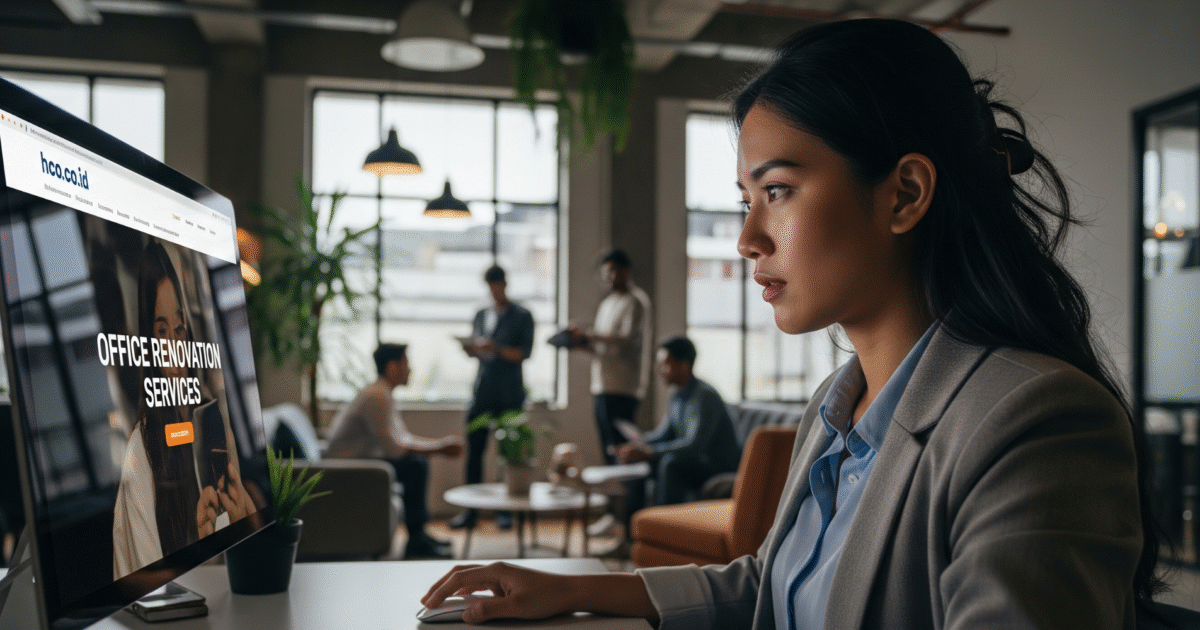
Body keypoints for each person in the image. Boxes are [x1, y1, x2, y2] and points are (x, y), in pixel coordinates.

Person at [421, 18, 1162, 629]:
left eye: (777, 190)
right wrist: (576, 587)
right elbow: (776, 586)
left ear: (905, 193)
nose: (748, 239)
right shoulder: (838, 406)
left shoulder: (1036, 421)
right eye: (746, 199)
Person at [113, 240, 256, 579]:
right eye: (162, 332)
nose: (175, 347)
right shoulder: (141, 450)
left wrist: (240, 521)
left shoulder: (208, 422)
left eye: (179, 328)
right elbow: (151, 586)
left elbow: (249, 538)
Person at [325, 343, 465, 559]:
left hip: (362, 463)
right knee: (415, 466)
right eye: (406, 364)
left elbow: (402, 440)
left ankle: (419, 536)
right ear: (392, 367)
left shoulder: (382, 393)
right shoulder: (376, 397)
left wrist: (439, 446)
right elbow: (396, 449)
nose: (410, 370)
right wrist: (440, 448)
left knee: (417, 463)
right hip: (347, 469)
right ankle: (416, 540)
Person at [568, 248, 653, 536]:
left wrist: (590, 334)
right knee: (608, 454)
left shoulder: (636, 302)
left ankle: (628, 524)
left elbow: (626, 342)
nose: (611, 277)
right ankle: (612, 514)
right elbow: (603, 350)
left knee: (624, 457)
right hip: (602, 386)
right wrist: (581, 343)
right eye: (607, 273)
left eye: (616, 270)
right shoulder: (607, 304)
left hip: (624, 388)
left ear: (627, 271)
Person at [449, 265, 535, 531]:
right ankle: (471, 512)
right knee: (474, 452)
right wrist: (472, 350)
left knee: (507, 455)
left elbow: (523, 353)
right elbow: (478, 350)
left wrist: (495, 348)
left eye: (497, 285)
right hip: (483, 391)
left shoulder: (523, 316)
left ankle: (504, 512)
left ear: (505, 284)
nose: (494, 291)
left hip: (510, 393)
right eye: (490, 286)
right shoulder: (481, 313)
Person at [616, 336, 741, 516]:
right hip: (695, 460)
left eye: (665, 364)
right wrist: (638, 445)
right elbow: (664, 434)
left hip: (716, 464)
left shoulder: (705, 397)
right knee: (641, 462)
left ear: (684, 365)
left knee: (671, 464)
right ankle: (632, 531)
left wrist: (649, 452)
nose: (660, 370)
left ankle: (665, 526)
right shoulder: (676, 395)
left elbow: (694, 446)